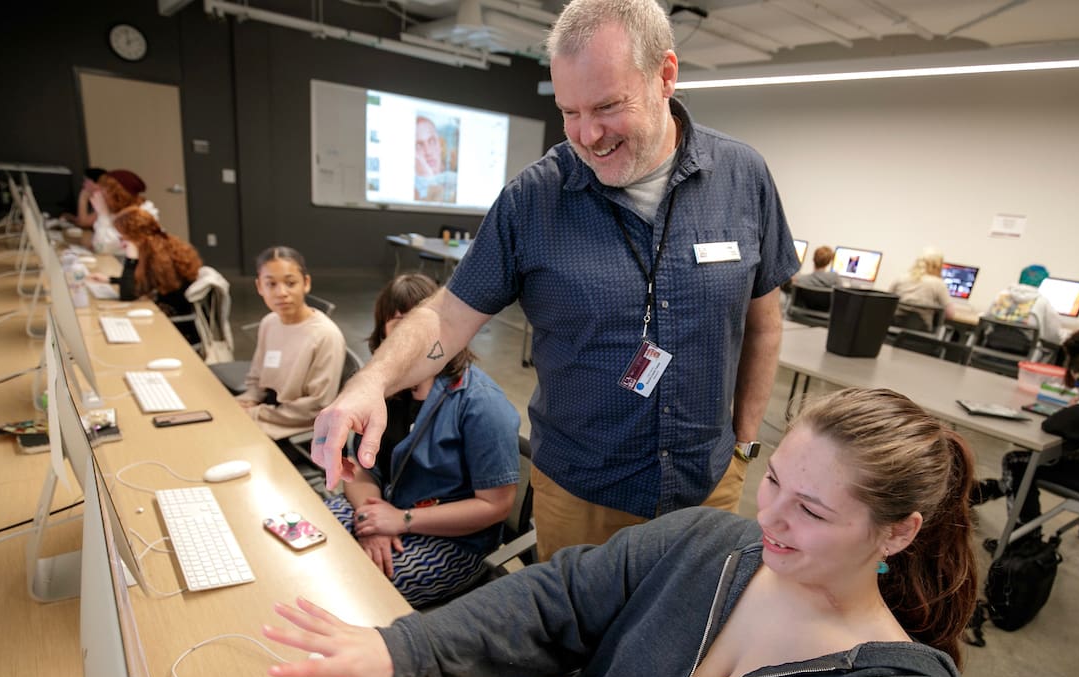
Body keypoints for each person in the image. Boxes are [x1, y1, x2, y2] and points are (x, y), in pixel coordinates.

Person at [266, 387, 979, 677]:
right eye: (773, 483)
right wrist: (398, 650)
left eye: (814, 512)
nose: (771, 519)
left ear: (896, 533)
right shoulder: (703, 544)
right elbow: (556, 600)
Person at [313, 0, 801, 559]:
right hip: (580, 493)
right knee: (579, 642)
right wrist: (372, 381)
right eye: (569, 112)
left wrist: (743, 446)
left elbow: (764, 325)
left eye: (608, 106)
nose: (588, 135)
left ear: (666, 75)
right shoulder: (533, 200)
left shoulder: (743, 176)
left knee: (687, 635)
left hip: (707, 487)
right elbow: (446, 315)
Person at [323, 274, 521, 608]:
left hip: (453, 542)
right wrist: (373, 521)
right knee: (310, 541)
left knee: (355, 591)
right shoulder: (381, 389)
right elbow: (358, 469)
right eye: (398, 324)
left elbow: (495, 506)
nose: (409, 337)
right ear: (382, 330)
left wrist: (401, 520)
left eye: (419, 325)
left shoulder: (482, 404)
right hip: (383, 510)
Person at [976, 328, 1079, 523]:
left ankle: (1025, 547)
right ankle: (989, 490)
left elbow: (1054, 425)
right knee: (1057, 456)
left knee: (1019, 462)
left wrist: (1078, 407)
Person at [235, 246, 347, 441]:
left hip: (293, 427)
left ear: (306, 283)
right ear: (259, 287)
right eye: (271, 284)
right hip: (266, 411)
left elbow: (316, 407)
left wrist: (258, 413)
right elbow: (257, 378)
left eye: (290, 283)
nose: (281, 293)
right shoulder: (269, 323)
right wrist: (248, 400)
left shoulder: (325, 335)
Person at [89, 206, 202, 342]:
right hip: (167, 315)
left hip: (177, 327)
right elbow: (145, 282)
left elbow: (129, 295)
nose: (121, 243)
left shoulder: (160, 258)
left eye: (123, 238)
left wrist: (131, 259)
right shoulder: (159, 245)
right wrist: (111, 280)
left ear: (135, 236)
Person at [985, 263, 1063, 345]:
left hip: (993, 343)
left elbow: (986, 319)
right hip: (1023, 350)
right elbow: (1053, 334)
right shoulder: (1041, 302)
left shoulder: (1002, 295)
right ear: (1041, 282)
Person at [90, 169, 156, 255]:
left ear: (117, 194)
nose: (100, 194)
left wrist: (103, 215)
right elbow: (97, 246)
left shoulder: (139, 217)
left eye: (104, 190)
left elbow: (103, 248)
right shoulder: (117, 210)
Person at [888, 245, 953, 331]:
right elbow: (950, 314)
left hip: (892, 328)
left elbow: (887, 302)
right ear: (938, 265)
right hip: (920, 333)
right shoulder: (938, 283)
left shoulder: (901, 278)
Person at [413, 115, 458, 203]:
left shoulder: (454, 179)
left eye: (432, 141)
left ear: (440, 145)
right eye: (419, 145)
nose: (428, 152)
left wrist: (429, 180)